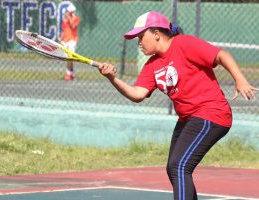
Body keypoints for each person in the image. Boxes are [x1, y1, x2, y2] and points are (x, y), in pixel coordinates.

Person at [98, 11, 258, 200]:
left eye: (141, 37)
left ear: (156, 33)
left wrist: (240, 80)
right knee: (174, 168)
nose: (138, 42)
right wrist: (112, 78)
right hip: (188, 118)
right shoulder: (152, 65)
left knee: (179, 166)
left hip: (212, 113)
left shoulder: (183, 44)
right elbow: (137, 94)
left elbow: (221, 55)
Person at [59, 2, 80, 81]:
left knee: (69, 57)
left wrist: (69, 18)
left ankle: (68, 74)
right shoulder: (64, 20)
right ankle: (72, 74)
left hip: (72, 40)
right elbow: (63, 30)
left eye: (68, 11)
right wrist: (61, 38)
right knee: (67, 58)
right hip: (65, 40)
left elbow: (73, 26)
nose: (67, 12)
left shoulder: (76, 18)